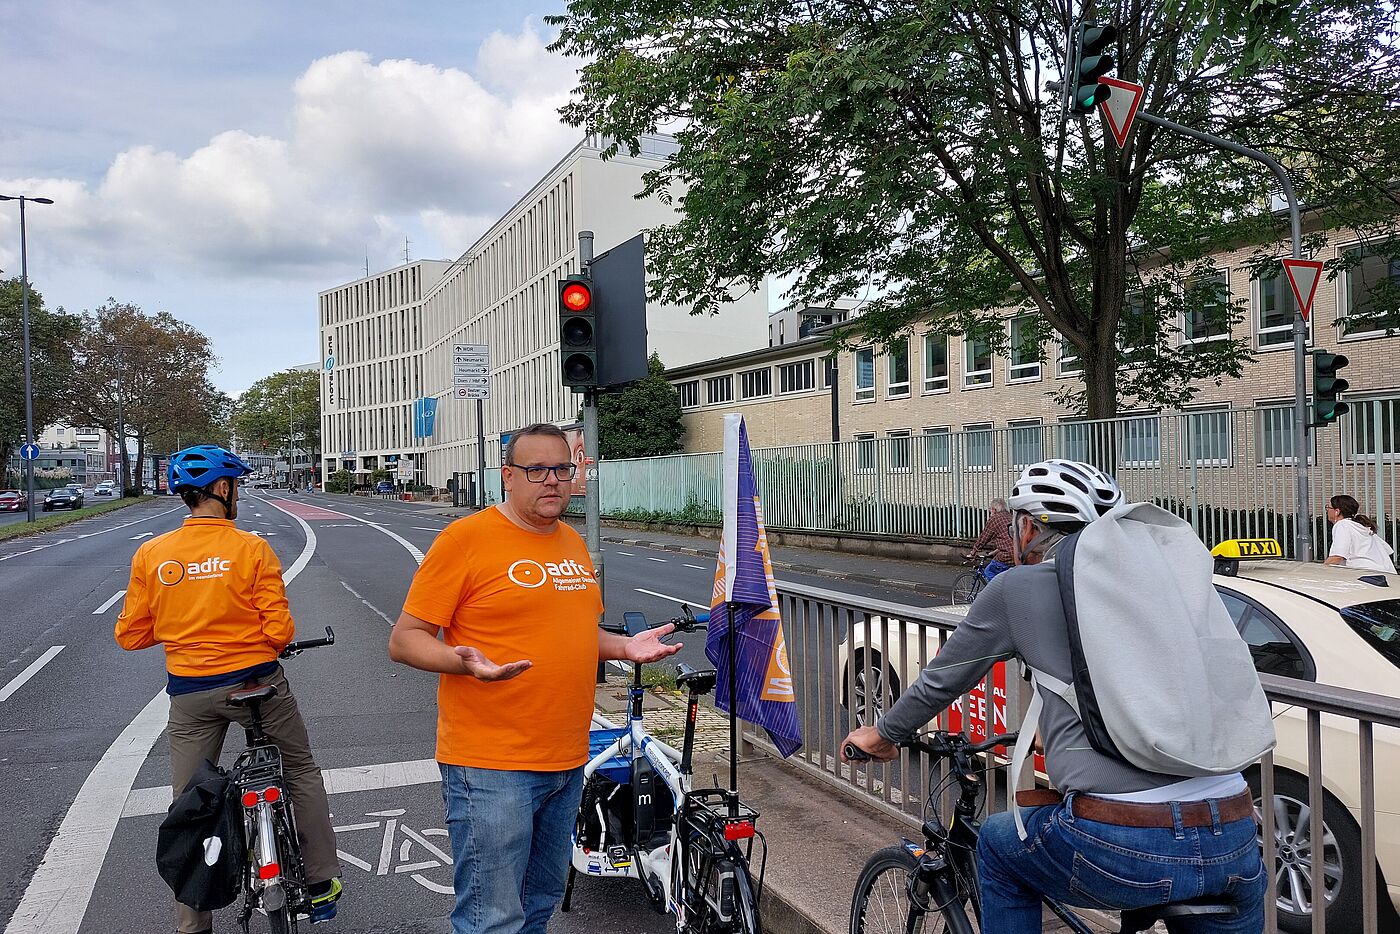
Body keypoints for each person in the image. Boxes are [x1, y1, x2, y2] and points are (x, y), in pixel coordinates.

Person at [842, 459, 1265, 934]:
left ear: (1027, 528)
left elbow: (943, 678)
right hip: (1233, 830)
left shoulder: (1020, 586)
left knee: (1000, 847)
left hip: (1122, 842)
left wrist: (884, 732)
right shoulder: (1162, 587)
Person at [388, 422, 681, 934]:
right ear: (507, 476)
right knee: (492, 918)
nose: (553, 480)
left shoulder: (571, 543)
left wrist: (624, 648)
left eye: (563, 468)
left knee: (539, 904)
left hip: (569, 759)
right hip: (491, 765)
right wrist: (464, 662)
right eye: (537, 469)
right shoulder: (466, 539)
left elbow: (574, 633)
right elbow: (405, 639)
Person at [114, 445, 342, 934]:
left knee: (191, 798)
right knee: (298, 768)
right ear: (223, 489)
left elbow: (130, 635)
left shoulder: (152, 555)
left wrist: (183, 621)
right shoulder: (251, 549)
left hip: (191, 694)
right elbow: (279, 633)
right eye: (235, 485)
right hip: (257, 685)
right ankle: (322, 882)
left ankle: (192, 922)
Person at [1324, 494, 1396, 573]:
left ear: (1337, 511)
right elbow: (1387, 550)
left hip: (1368, 575)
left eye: (1328, 507)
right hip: (1387, 574)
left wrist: (1321, 571)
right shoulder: (1361, 526)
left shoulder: (1342, 525)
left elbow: (1337, 557)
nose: (1327, 510)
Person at [967, 496, 1014, 580]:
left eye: (990, 510)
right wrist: (993, 553)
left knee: (989, 571)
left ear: (994, 509)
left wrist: (973, 553)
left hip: (1006, 557)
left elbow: (983, 538)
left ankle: (995, 592)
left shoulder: (995, 518)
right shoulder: (1011, 517)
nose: (990, 513)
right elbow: (1009, 541)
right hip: (1019, 555)